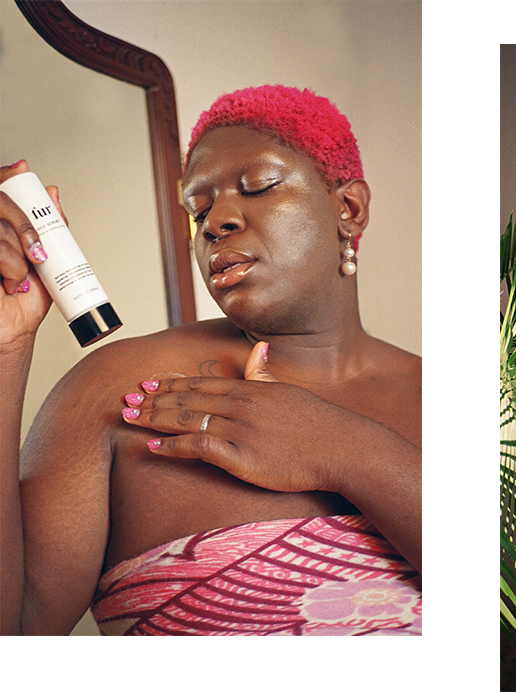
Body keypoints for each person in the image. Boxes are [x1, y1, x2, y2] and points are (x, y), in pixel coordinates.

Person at [0, 85, 421, 635]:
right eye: (199, 210)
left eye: (259, 187)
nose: (217, 221)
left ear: (349, 208)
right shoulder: (116, 387)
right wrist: (5, 350)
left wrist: (342, 448)